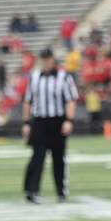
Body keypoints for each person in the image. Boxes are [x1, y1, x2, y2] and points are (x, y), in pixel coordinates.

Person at [22, 49, 78, 203]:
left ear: (53, 60)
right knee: (37, 157)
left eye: (48, 59)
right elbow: (27, 101)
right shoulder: (33, 77)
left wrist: (69, 120)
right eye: (43, 59)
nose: (46, 62)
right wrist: (26, 123)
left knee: (59, 157)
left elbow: (71, 100)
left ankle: (61, 192)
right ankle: (31, 191)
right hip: (39, 121)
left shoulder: (64, 76)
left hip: (57, 121)